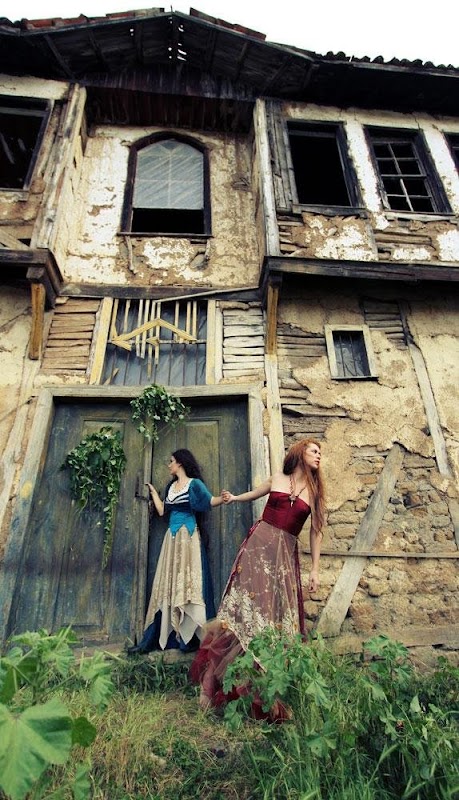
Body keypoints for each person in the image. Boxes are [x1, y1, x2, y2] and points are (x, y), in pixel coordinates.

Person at [190, 438, 326, 715]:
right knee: (241, 613)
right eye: (314, 450)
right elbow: (254, 493)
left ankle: (261, 691)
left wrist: (314, 569)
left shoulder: (315, 492)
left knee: (270, 620)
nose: (318, 455)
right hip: (257, 549)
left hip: (283, 559)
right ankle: (209, 683)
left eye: (320, 452)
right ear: (300, 452)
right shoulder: (278, 478)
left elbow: (316, 532)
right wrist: (234, 498)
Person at [128, 449, 225, 655]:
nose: (169, 464)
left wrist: (224, 498)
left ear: (180, 463)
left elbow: (209, 501)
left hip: (188, 539)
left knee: (189, 584)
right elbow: (162, 510)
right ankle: (161, 636)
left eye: (171, 461)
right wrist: (154, 494)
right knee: (168, 582)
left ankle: (190, 638)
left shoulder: (194, 484)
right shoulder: (171, 487)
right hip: (172, 539)